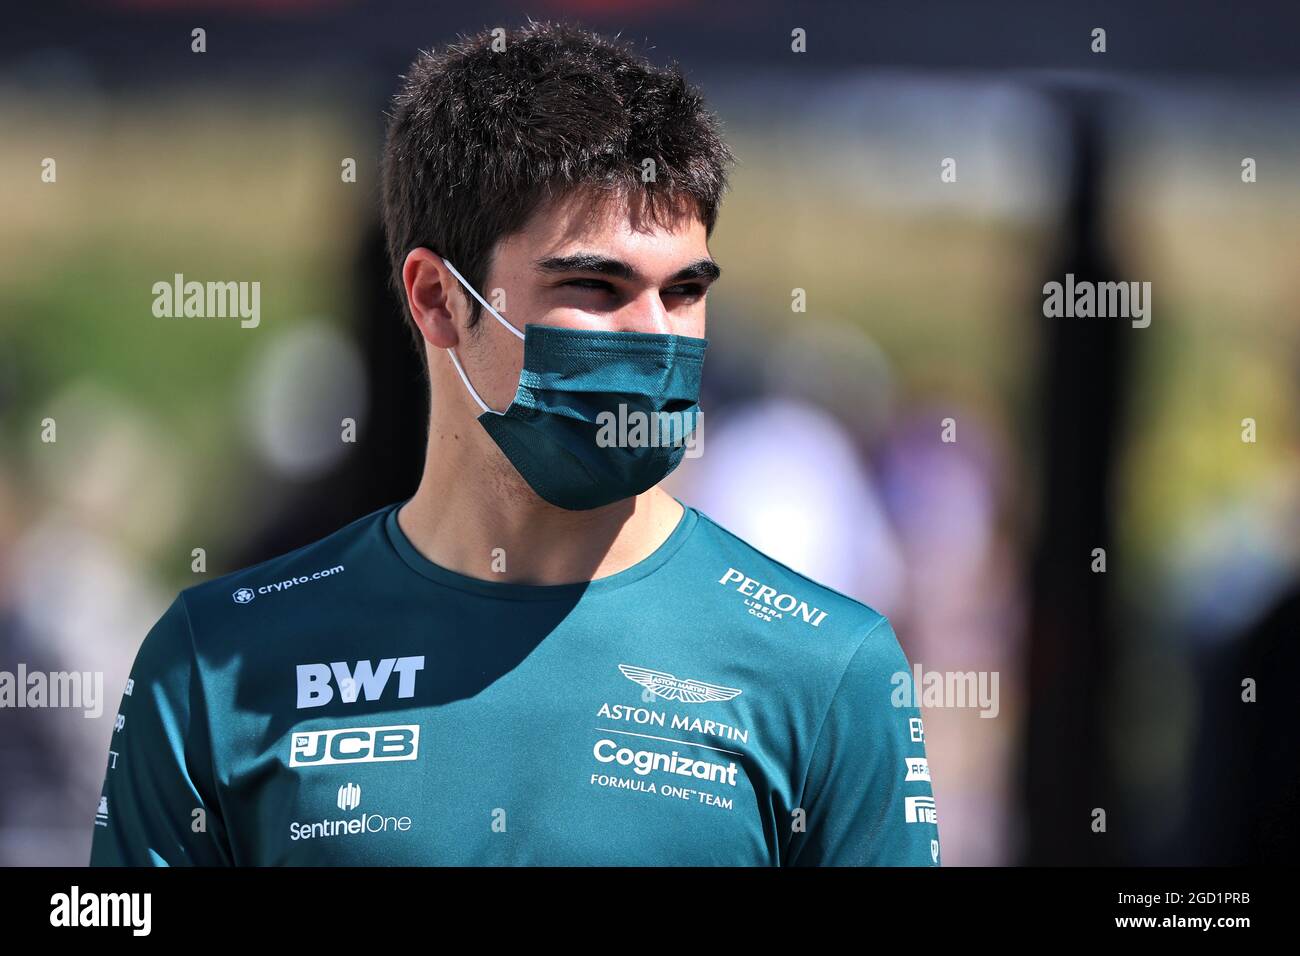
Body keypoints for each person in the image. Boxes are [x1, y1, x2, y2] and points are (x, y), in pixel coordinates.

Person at [89, 21, 939, 866]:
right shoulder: (218, 664)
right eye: (594, 285)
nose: (654, 339)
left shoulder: (828, 671)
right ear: (436, 299)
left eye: (683, 292)